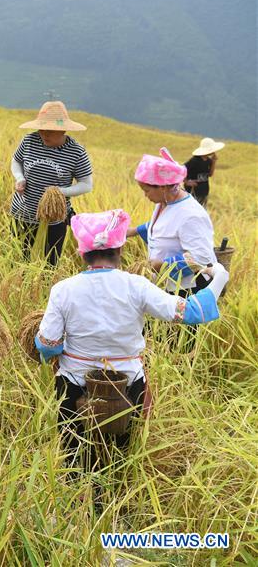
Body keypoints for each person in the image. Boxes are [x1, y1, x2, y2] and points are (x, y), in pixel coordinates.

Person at [36, 209, 228, 479]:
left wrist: (52, 350)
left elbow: (47, 343)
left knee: (74, 457)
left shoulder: (63, 289)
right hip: (126, 386)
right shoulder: (137, 285)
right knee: (117, 459)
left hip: (75, 385)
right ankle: (112, 511)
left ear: (82, 253)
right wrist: (219, 278)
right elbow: (193, 312)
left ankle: (76, 511)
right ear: (120, 248)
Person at [10, 101, 93, 267]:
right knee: (19, 260)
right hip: (23, 212)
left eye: (49, 131)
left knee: (50, 263)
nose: (43, 134)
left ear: (63, 130)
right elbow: (16, 161)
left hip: (55, 217)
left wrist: (60, 192)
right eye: (41, 129)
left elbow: (86, 184)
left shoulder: (76, 152)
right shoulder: (29, 141)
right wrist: (19, 178)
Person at [127, 148, 216, 296]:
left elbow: (201, 257)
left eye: (146, 190)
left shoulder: (190, 215)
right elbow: (164, 227)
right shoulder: (164, 202)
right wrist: (133, 231)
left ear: (162, 187)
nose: (145, 195)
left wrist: (161, 265)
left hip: (188, 289)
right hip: (167, 285)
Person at [183, 137, 224, 207]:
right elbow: (182, 170)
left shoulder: (208, 161)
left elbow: (210, 174)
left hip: (204, 191)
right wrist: (187, 182)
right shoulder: (194, 160)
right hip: (193, 192)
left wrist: (214, 162)